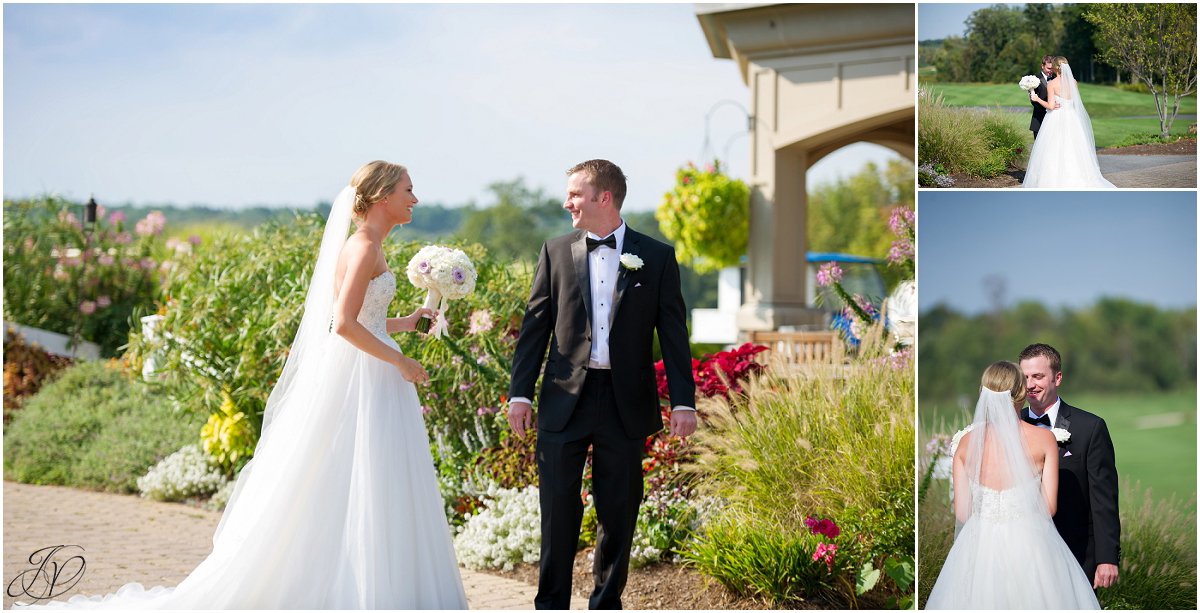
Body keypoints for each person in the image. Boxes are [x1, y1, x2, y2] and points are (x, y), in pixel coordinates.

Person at [13, 161, 468, 609]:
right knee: (356, 474)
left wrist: (405, 323)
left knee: (368, 476)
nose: (415, 198)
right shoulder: (364, 247)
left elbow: (362, 319)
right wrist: (401, 362)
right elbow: (343, 325)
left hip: (369, 374)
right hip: (361, 379)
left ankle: (375, 583)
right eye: (409, 189)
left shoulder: (369, 245)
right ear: (383, 196)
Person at [507, 159, 697, 609]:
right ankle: (551, 604)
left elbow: (672, 333)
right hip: (562, 399)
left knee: (618, 511)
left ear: (603, 197)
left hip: (623, 403)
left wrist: (684, 403)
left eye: (575, 193)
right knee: (556, 510)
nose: (566, 201)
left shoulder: (657, 256)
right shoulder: (554, 251)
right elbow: (535, 327)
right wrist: (520, 393)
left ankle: (605, 603)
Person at [925, 361, 1100, 609]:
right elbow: (1049, 508)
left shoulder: (965, 444)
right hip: (1031, 545)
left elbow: (962, 512)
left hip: (978, 548)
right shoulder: (1044, 439)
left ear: (983, 393)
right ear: (1021, 393)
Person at [1018, 343, 1120, 588]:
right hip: (1020, 552)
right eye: (1025, 377)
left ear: (1058, 378)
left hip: (1076, 552)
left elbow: (1103, 498)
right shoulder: (1008, 426)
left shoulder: (1090, 428)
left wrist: (1106, 558)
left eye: (1038, 376)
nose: (1030, 384)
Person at [1022, 56, 1116, 188]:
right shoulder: (1074, 82)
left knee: (1053, 148)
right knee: (1074, 147)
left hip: (1056, 118)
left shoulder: (1052, 84)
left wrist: (1037, 99)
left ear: (1055, 68)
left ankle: (1053, 179)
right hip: (1072, 118)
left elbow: (1050, 106)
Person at [1029, 54, 1058, 141]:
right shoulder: (1034, 80)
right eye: (1048, 68)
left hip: (1054, 118)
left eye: (1052, 68)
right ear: (1042, 66)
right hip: (1039, 118)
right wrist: (1049, 106)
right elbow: (1034, 102)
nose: (1050, 71)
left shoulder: (1056, 78)